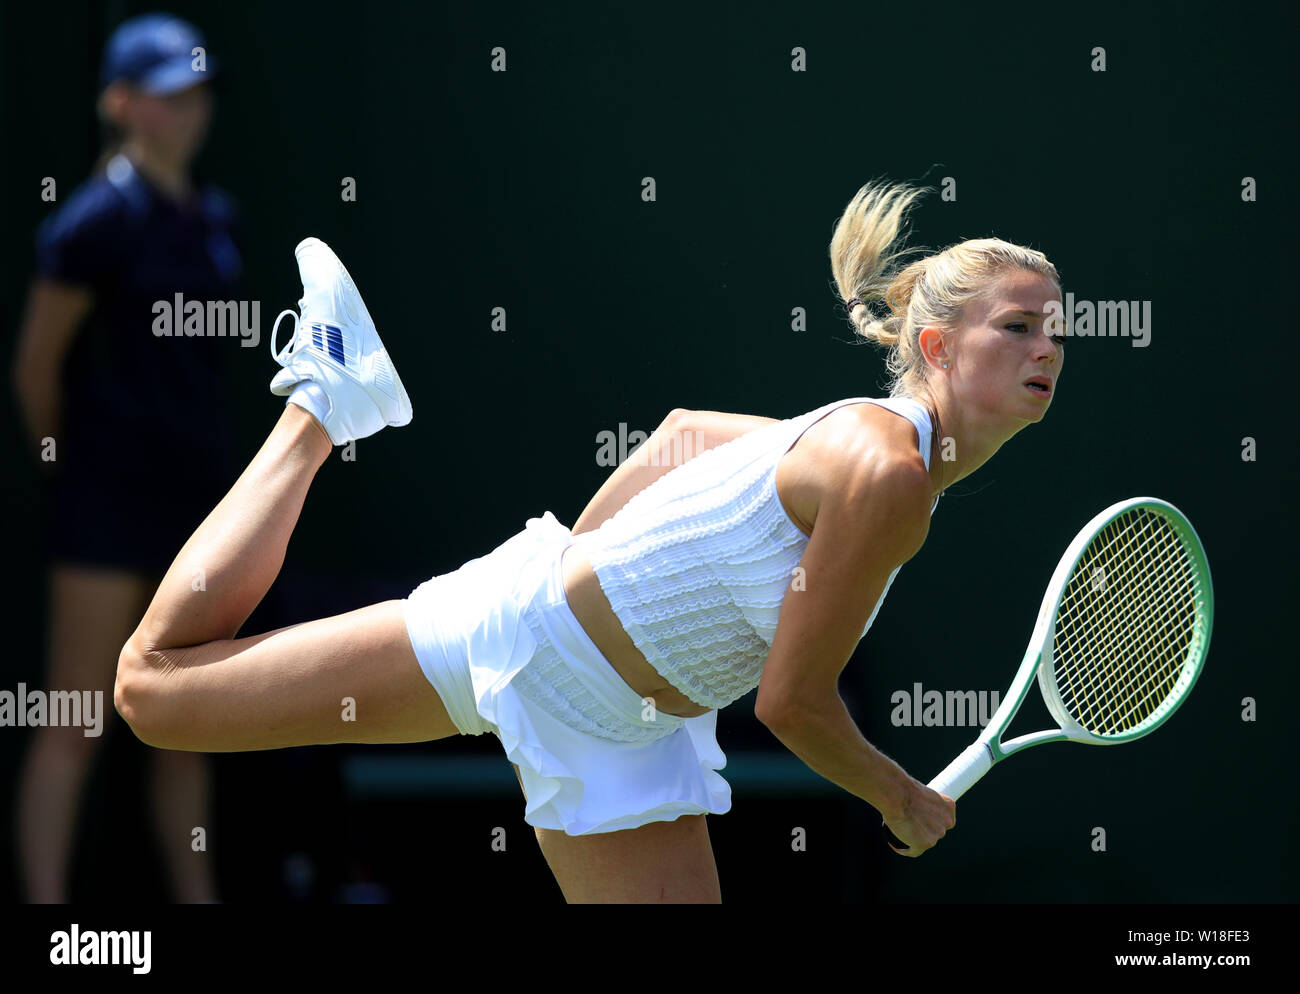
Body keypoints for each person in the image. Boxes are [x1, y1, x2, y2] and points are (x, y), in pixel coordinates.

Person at [112, 180, 1066, 903]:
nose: (1047, 350)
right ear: (937, 349)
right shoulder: (888, 474)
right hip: (529, 640)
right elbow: (793, 703)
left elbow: (682, 429)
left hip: (630, 734)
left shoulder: (874, 448)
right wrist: (898, 795)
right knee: (153, 693)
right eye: (1018, 327)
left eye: (1055, 333)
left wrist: (608, 574)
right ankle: (323, 406)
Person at [12, 13, 237, 903]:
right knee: (76, 715)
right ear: (121, 103)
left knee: (187, 717)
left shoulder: (216, 218)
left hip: (194, 503)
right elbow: (35, 371)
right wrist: (76, 468)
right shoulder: (90, 224)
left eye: (196, 91)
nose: (188, 109)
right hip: (105, 503)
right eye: (166, 93)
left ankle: (197, 896)